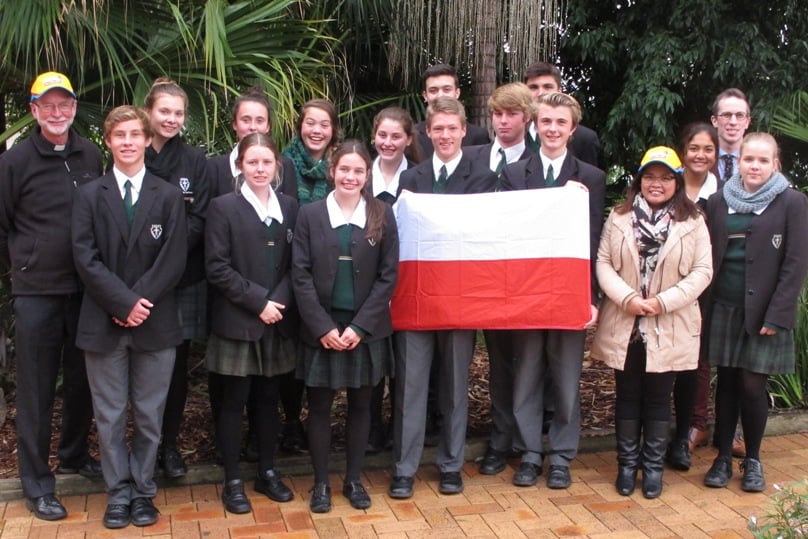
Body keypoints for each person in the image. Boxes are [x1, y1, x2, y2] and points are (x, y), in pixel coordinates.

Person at [72, 105, 186, 529]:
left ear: (145, 139)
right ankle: (117, 494)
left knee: (150, 415)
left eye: (135, 135)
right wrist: (122, 304)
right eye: (119, 135)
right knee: (111, 416)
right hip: (103, 323)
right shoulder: (88, 195)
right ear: (108, 141)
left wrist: (139, 303)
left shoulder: (168, 195)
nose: (128, 142)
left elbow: (173, 259)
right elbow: (85, 258)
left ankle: (143, 492)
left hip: (155, 322)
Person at [0, 71, 103, 521]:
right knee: (37, 390)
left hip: (85, 292)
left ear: (75, 108)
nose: (58, 113)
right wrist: (24, 264)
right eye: (49, 106)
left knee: (82, 381)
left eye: (65, 105)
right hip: (37, 292)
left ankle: (75, 454)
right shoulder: (14, 162)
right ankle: (38, 482)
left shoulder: (91, 155)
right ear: (35, 110)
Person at [389, 97, 497, 499]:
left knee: (454, 388)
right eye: (438, 129)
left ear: (464, 131)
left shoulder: (483, 177)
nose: (446, 135)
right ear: (427, 133)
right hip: (417, 298)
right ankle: (404, 469)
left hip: (459, 301)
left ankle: (451, 465)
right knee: (410, 387)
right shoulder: (412, 180)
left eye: (452, 128)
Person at [592, 145, 712, 499]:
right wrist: (628, 298)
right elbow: (603, 263)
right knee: (627, 396)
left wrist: (662, 302)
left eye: (664, 177)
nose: (656, 183)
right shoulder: (618, 216)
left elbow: (703, 271)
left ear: (676, 181)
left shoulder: (694, 222)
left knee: (660, 399)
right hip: (625, 321)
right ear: (639, 180)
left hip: (670, 320)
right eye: (649, 176)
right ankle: (627, 466)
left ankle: (654, 468)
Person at [498, 92, 604, 489]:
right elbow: (506, 237)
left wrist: (590, 297)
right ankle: (528, 452)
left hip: (569, 293)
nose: (553, 129)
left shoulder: (590, 179)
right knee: (526, 375)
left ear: (572, 129)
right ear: (534, 125)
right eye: (546, 122)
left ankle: (560, 455)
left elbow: (593, 241)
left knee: (565, 378)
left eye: (561, 123)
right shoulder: (513, 175)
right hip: (526, 293)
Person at [292, 140, 399, 513]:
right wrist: (321, 326)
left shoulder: (381, 214)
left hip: (364, 331)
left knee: (361, 408)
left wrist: (361, 327)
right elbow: (300, 275)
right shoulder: (309, 215)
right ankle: (320, 483)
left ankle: (353, 480)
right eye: (344, 169)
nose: (350, 176)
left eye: (358, 171)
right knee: (319, 407)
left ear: (367, 175)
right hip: (321, 329)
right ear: (331, 171)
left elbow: (388, 277)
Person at [702, 133, 808, 492]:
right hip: (724, 307)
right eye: (749, 159)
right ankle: (721, 459)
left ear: (775, 164)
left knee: (752, 385)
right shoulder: (718, 202)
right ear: (739, 161)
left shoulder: (791, 202)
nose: (755, 166)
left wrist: (778, 314)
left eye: (763, 160)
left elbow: (795, 264)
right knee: (727, 383)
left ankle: (753, 460)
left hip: (763, 312)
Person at [205, 132, 297, 514]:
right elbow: (217, 267)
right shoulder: (222, 207)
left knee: (269, 399)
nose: (260, 169)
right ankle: (232, 480)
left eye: (267, 162)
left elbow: (299, 265)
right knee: (233, 401)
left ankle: (268, 471)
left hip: (277, 321)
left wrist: (279, 300)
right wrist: (258, 302)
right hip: (238, 321)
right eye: (252, 162)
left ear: (277, 166)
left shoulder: (290, 207)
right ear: (240, 166)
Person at [463, 82, 536, 478]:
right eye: (497, 114)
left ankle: (526, 444)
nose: (503, 121)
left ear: (526, 117)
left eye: (511, 114)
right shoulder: (472, 158)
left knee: (524, 362)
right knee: (497, 364)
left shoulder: (539, 161)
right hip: (482, 280)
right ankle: (499, 438)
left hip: (523, 281)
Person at [142, 78, 210, 479]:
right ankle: (144, 449)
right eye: (164, 111)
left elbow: (198, 220)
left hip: (182, 280)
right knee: (141, 369)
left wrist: (165, 265)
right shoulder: (131, 150)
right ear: (150, 111)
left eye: (178, 113)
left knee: (175, 368)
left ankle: (170, 447)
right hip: (137, 283)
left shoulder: (195, 161)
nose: (171, 119)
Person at [690, 88, 754, 456]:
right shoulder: (702, 161)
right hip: (702, 272)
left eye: (739, 115)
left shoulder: (760, 160)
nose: (732, 122)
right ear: (715, 121)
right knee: (699, 352)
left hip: (743, 276)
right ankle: (696, 424)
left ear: (747, 121)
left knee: (739, 358)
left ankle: (733, 432)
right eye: (725, 115)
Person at [279, 98, 342, 454]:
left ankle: (321, 423)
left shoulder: (342, 166)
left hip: (332, 278)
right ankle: (290, 422)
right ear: (299, 126)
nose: (316, 130)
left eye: (324, 124)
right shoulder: (283, 164)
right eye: (310, 123)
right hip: (292, 273)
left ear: (333, 130)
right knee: (291, 360)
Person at [367, 106, 422, 452]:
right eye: (382, 135)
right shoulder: (356, 175)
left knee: (404, 366)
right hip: (367, 285)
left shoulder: (418, 177)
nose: (388, 142)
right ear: (374, 136)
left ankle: (401, 432)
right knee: (372, 364)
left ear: (409, 140)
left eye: (396, 136)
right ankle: (371, 430)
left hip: (410, 284)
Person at [666, 122, 719, 471]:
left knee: (696, 362)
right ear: (683, 152)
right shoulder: (668, 186)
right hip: (664, 293)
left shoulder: (723, 195)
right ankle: (662, 432)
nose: (700, 155)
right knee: (663, 363)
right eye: (694, 148)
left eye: (708, 149)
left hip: (706, 290)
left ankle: (691, 428)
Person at [208, 86, 297, 199]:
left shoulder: (284, 166)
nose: (253, 127)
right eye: (246, 120)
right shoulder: (214, 168)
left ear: (268, 126)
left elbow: (290, 211)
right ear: (234, 124)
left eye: (260, 121)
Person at [523, 62, 599, 167]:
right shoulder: (514, 135)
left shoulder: (585, 139)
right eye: (534, 87)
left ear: (560, 91)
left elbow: (592, 179)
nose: (540, 93)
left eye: (547, 87)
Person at [414, 64, 489, 156]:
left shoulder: (478, 135)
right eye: (433, 91)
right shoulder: (413, 134)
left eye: (446, 89)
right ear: (425, 96)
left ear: (457, 93)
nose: (440, 95)